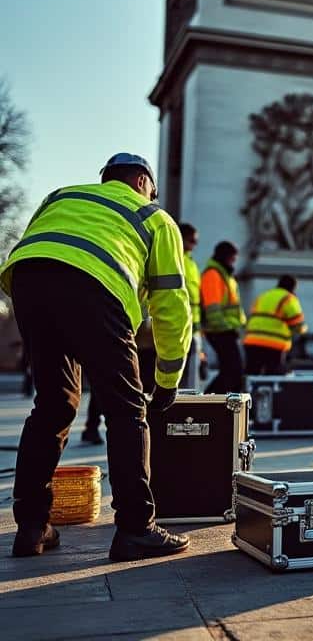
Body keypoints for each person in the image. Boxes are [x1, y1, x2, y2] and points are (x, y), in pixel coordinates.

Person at [3, 152, 191, 561]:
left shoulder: (62, 195)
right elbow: (172, 309)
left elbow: (46, 248)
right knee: (126, 411)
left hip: (27, 280)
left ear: (106, 179)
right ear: (143, 181)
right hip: (95, 286)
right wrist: (167, 382)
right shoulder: (153, 217)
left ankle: (32, 527)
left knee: (52, 407)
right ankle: (136, 529)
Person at [200, 241, 245, 394]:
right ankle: (209, 404)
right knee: (233, 372)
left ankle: (213, 404)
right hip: (219, 331)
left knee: (232, 372)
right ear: (225, 257)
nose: (234, 261)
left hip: (226, 330)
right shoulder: (213, 275)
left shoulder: (225, 275)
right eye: (232, 258)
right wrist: (225, 328)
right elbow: (213, 309)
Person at [243, 275, 306, 375]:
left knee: (251, 376)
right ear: (293, 287)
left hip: (252, 341)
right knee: (273, 377)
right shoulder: (288, 298)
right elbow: (297, 325)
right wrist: (303, 330)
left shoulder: (263, 296)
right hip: (273, 344)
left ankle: (243, 391)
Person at [179, 222, 203, 391]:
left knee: (192, 369)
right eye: (191, 241)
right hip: (178, 320)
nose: (194, 245)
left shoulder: (192, 264)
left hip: (193, 324)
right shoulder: (175, 257)